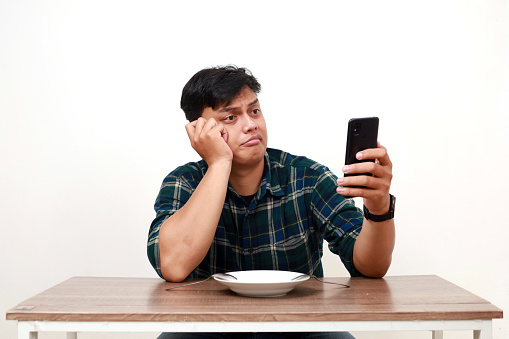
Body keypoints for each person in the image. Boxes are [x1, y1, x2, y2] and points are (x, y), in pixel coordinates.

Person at [147, 65, 396, 339]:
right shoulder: (184, 181)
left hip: (300, 328)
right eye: (231, 117)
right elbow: (172, 266)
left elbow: (370, 267)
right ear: (199, 130)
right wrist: (219, 162)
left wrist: (379, 206)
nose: (251, 124)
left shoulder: (307, 177)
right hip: (208, 329)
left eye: (254, 111)